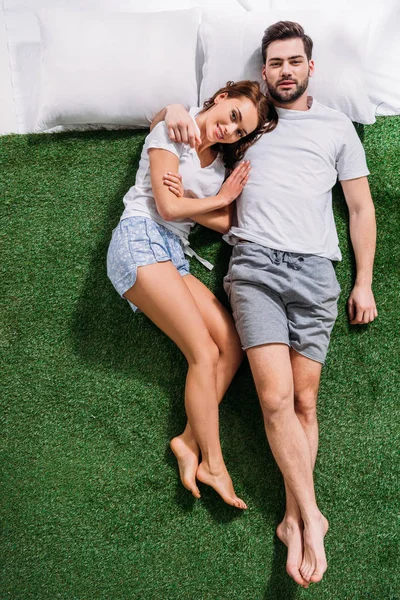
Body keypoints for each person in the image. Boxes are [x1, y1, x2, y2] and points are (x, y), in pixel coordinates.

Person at [152, 21, 377, 588]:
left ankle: (292, 520)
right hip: (253, 267)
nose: (284, 71)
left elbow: (359, 208)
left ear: (309, 67)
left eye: (293, 61)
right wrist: (175, 104)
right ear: (263, 73)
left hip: (317, 274)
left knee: (304, 403)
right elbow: (187, 129)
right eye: (274, 63)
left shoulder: (337, 127)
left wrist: (364, 282)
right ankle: (314, 515)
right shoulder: (250, 128)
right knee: (275, 399)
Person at [107, 81, 278, 510]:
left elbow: (223, 223)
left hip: (173, 256)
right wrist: (213, 200)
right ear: (221, 97)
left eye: (240, 133)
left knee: (232, 346)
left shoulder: (220, 165)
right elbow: (166, 208)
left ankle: (187, 440)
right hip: (140, 237)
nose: (229, 131)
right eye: (234, 116)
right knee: (202, 351)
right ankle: (214, 464)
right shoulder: (175, 128)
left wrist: (203, 201)